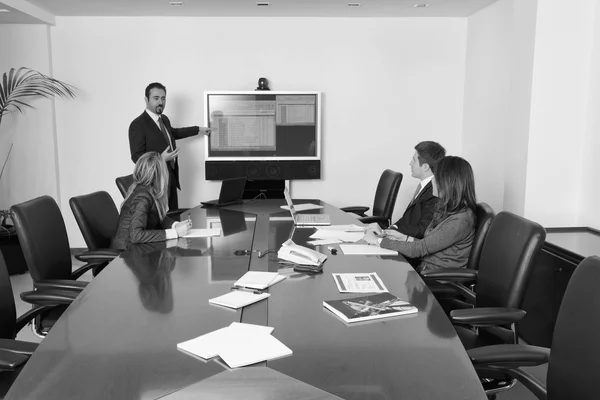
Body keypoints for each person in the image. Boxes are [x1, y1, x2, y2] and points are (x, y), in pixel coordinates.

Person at [364, 156, 476, 274]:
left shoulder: (459, 220)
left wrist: (378, 241)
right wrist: (402, 237)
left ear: (448, 183)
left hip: (434, 277)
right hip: (425, 267)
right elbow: (427, 244)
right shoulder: (447, 209)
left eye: (435, 177)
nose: (432, 181)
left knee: (379, 271)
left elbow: (420, 250)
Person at [129, 82, 211, 211]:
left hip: (171, 176)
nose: (160, 102)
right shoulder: (138, 124)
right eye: (156, 98)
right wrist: (159, 159)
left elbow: (173, 133)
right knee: (160, 221)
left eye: (163, 98)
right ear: (146, 99)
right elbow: (136, 156)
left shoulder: (164, 119)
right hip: (154, 182)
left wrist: (198, 129)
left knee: (173, 217)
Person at [111, 152, 192, 250]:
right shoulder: (142, 197)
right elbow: (136, 235)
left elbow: (155, 217)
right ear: (158, 174)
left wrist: (175, 225)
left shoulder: (148, 190)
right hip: (126, 254)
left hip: (137, 249)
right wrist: (175, 233)